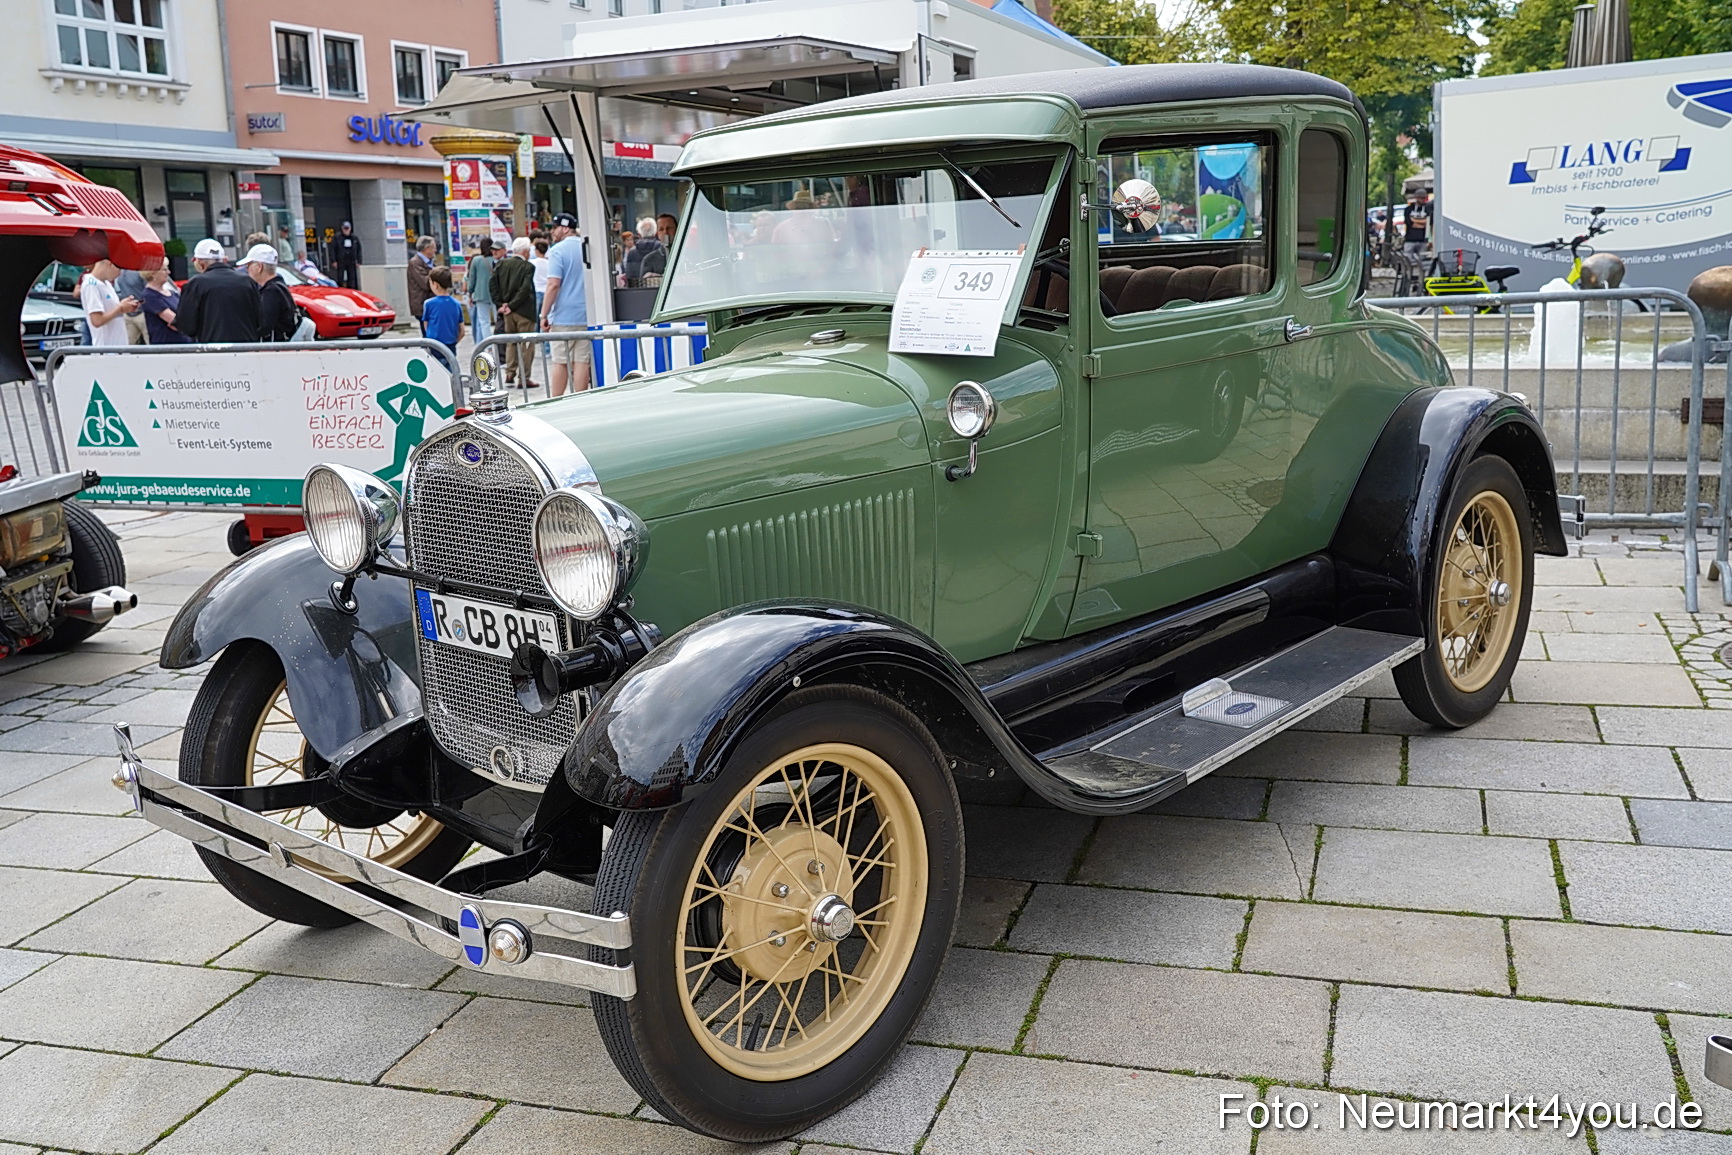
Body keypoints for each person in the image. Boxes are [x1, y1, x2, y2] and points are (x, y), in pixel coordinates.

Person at [538, 213, 590, 397]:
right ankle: (580, 399)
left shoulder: (557, 251)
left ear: (565, 228)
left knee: (560, 360)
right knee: (582, 361)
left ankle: (556, 400)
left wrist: (544, 314)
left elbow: (553, 284)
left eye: (555, 228)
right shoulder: (586, 247)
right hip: (586, 314)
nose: (552, 232)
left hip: (563, 315)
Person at [175, 238, 260, 343]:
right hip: (246, 347)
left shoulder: (196, 284)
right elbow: (259, 319)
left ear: (200, 263)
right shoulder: (247, 281)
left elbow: (186, 325)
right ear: (224, 260)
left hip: (213, 348)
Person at [493, 237, 539, 390]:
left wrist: (501, 304)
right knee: (526, 345)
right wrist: (512, 305)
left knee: (511, 343)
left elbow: (492, 285)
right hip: (524, 311)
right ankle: (524, 377)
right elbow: (525, 289)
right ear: (525, 251)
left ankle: (510, 372)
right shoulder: (528, 267)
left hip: (507, 311)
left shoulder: (501, 264)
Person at [80, 259, 138, 347]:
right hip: (106, 349)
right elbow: (97, 321)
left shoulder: (106, 283)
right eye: (119, 268)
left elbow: (112, 311)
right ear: (110, 263)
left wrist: (124, 307)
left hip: (117, 346)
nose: (120, 273)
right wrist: (120, 308)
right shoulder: (91, 285)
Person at [246, 244, 297, 342]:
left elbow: (264, 326)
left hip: (276, 347)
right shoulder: (279, 286)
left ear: (259, 267)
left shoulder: (271, 292)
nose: (246, 269)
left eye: (248, 265)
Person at [139, 266, 189, 345]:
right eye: (164, 270)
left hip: (184, 342)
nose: (169, 272)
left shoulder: (173, 293)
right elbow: (176, 322)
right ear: (153, 273)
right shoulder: (149, 295)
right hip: (167, 345)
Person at [421, 266, 464, 356]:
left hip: (434, 345)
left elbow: (426, 326)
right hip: (451, 345)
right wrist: (454, 341)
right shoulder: (456, 304)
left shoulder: (428, 304)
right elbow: (462, 331)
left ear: (435, 284)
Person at [622, 216, 667, 288]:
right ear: (655, 233)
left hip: (638, 291)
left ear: (639, 234)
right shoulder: (663, 250)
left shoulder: (632, 253)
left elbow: (630, 278)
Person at [467, 238, 495, 345]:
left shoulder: (476, 260)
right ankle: (498, 343)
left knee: (484, 322)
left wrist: (470, 293)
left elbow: (472, 279)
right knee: (498, 320)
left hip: (480, 293)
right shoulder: (496, 260)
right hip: (495, 294)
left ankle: (488, 345)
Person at [407, 236, 436, 334]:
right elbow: (425, 283)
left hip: (431, 303)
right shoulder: (415, 262)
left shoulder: (430, 262)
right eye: (433, 247)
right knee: (428, 334)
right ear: (426, 249)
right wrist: (437, 275)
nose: (435, 250)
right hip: (422, 304)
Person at [114, 263, 149, 344]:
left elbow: (149, 290)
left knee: (150, 343)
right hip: (128, 314)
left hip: (143, 313)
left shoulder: (140, 272)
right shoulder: (119, 273)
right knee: (128, 344)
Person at [333, 221, 363, 288]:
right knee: (340, 277)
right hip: (341, 260)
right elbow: (333, 249)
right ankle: (340, 288)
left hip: (351, 260)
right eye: (345, 228)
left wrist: (359, 261)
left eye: (347, 228)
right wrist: (333, 260)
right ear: (342, 228)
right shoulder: (337, 237)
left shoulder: (354, 238)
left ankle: (352, 288)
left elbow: (359, 249)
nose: (346, 230)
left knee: (352, 277)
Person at [1402, 192, 1429, 258]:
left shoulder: (1427, 208)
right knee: (1408, 259)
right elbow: (1409, 223)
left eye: (1424, 198)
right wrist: (1422, 223)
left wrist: (1414, 220)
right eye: (1421, 198)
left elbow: (1428, 222)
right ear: (1416, 198)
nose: (1423, 200)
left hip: (1423, 240)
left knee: (1422, 260)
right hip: (1410, 239)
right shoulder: (1408, 209)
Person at [531, 238, 551, 318]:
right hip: (547, 291)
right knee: (545, 315)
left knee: (535, 316)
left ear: (536, 250)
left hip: (537, 290)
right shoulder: (550, 263)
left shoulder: (532, 263)